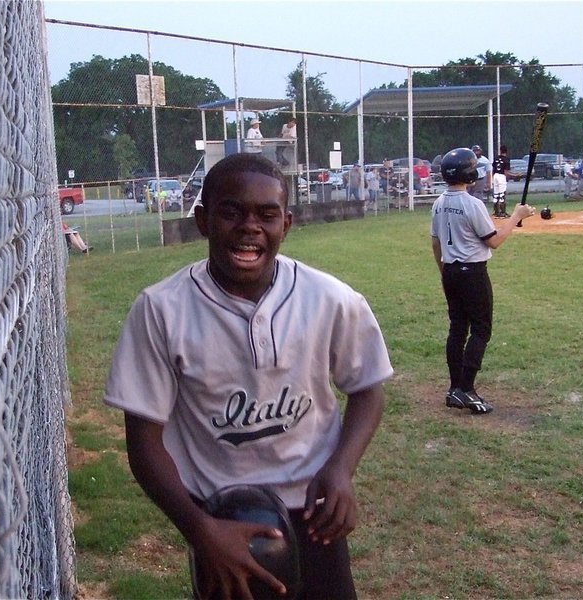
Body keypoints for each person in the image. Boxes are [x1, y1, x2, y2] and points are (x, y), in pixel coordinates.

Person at [104, 153, 393, 599]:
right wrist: (200, 529)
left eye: (267, 215)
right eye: (231, 211)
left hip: (313, 512)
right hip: (221, 516)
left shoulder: (331, 300)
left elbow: (368, 389)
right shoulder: (162, 310)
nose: (249, 226)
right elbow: (144, 444)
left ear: (287, 224)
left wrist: (341, 470)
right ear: (203, 220)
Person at [431, 148, 535, 415]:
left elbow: (435, 242)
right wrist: (517, 216)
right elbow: (494, 241)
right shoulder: (472, 204)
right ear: (469, 173)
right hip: (473, 273)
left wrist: (444, 271)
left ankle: (455, 388)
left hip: (451, 271)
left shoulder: (439, 202)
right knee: (481, 329)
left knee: (457, 328)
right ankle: (466, 389)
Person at [490, 145, 512, 218]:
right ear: (506, 151)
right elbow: (506, 171)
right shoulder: (506, 159)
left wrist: (492, 178)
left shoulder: (496, 158)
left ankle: (496, 211)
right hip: (501, 176)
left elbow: (493, 169)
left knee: (496, 194)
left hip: (495, 176)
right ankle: (503, 212)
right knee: (502, 194)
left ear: (500, 150)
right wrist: (511, 176)